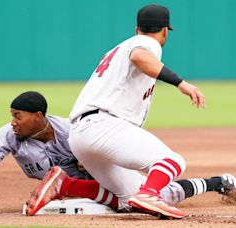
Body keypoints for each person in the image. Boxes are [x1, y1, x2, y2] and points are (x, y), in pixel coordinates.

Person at [0, 91, 236, 217]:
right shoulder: (9, 137)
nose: (12, 122)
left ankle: (217, 181)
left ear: (38, 117)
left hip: (103, 176)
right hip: (89, 188)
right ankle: (63, 188)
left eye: (17, 116)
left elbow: (111, 147)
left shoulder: (72, 131)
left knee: (147, 199)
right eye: (10, 115)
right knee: (89, 206)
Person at [66, 4, 207, 219]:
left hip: (80, 136)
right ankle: (149, 194)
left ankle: (66, 186)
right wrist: (180, 83)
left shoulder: (119, 48)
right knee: (172, 161)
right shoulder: (146, 43)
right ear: (165, 31)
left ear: (136, 28)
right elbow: (140, 57)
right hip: (103, 125)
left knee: (129, 198)